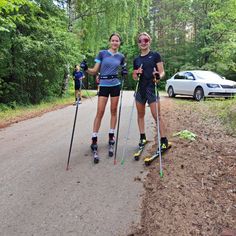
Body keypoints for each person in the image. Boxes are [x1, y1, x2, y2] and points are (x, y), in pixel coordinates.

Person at [80, 33, 126, 163]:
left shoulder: (121, 56)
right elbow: (94, 71)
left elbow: (123, 69)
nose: (115, 42)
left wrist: (124, 73)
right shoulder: (102, 53)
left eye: (117, 41)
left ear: (119, 43)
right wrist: (85, 69)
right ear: (109, 42)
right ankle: (94, 139)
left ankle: (111, 136)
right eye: (113, 40)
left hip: (115, 85)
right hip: (104, 85)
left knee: (113, 111)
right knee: (100, 112)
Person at [132, 32, 169, 151]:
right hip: (140, 90)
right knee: (140, 114)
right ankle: (142, 138)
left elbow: (162, 72)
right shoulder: (136, 59)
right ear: (138, 43)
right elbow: (134, 76)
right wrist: (136, 73)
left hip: (151, 88)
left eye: (146, 40)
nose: (143, 43)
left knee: (157, 115)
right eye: (140, 41)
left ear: (149, 41)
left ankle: (164, 140)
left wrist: (158, 75)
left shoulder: (155, 55)